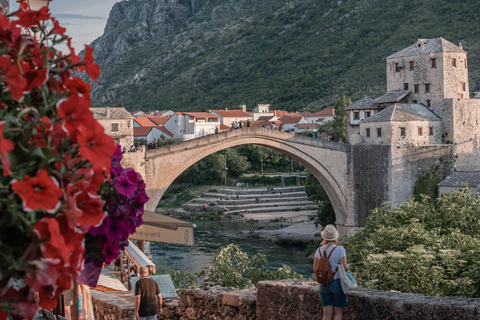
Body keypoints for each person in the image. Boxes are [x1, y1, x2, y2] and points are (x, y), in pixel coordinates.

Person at [313, 225, 349, 320]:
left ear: (324, 237)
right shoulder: (340, 249)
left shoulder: (319, 250)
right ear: (335, 237)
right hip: (336, 283)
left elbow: (315, 268)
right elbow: (345, 267)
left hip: (324, 284)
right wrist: (349, 266)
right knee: (338, 313)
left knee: (326, 314)